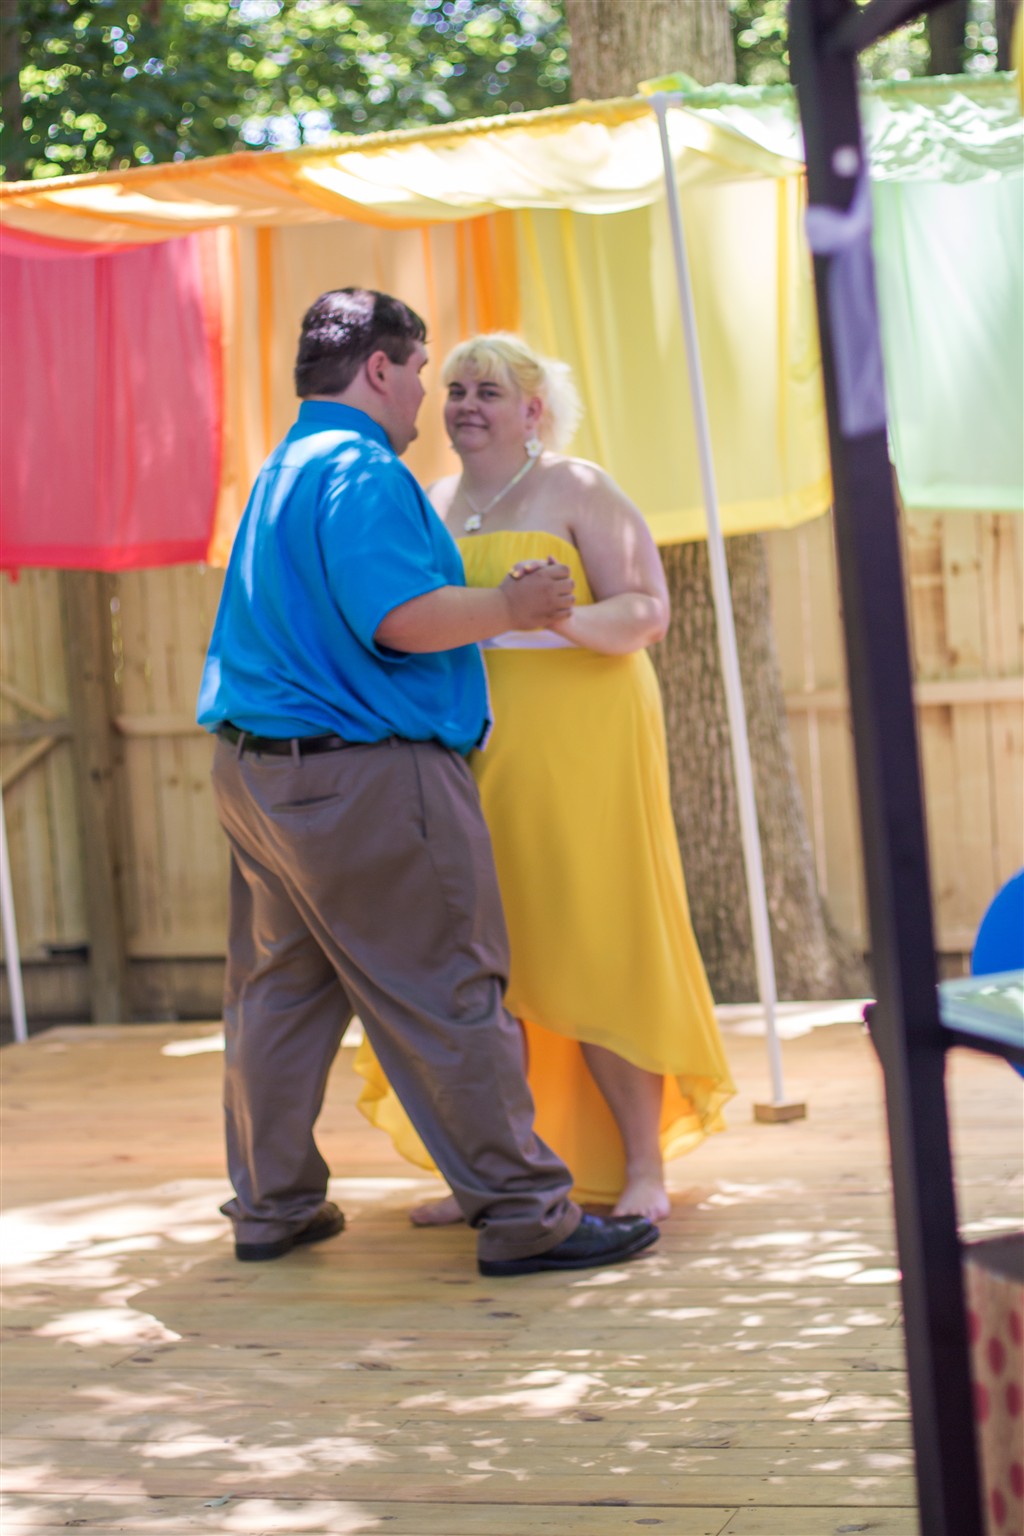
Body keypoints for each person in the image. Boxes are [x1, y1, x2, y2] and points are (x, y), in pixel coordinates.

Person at [196, 289, 660, 1277]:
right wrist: (508, 606)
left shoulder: (282, 468)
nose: (428, 398)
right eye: (422, 373)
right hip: (360, 778)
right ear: (380, 369)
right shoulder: (363, 471)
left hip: (256, 772)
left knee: (280, 996)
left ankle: (272, 1204)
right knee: (449, 987)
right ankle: (527, 1214)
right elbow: (399, 618)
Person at [355, 332, 736, 1224]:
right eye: (455, 389)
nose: (465, 406)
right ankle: (502, 1174)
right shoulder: (433, 501)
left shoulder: (579, 488)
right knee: (488, 958)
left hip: (584, 741)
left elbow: (646, 611)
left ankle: (641, 1167)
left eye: (487, 391)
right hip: (475, 745)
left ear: (532, 410)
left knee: (595, 938)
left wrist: (558, 619)